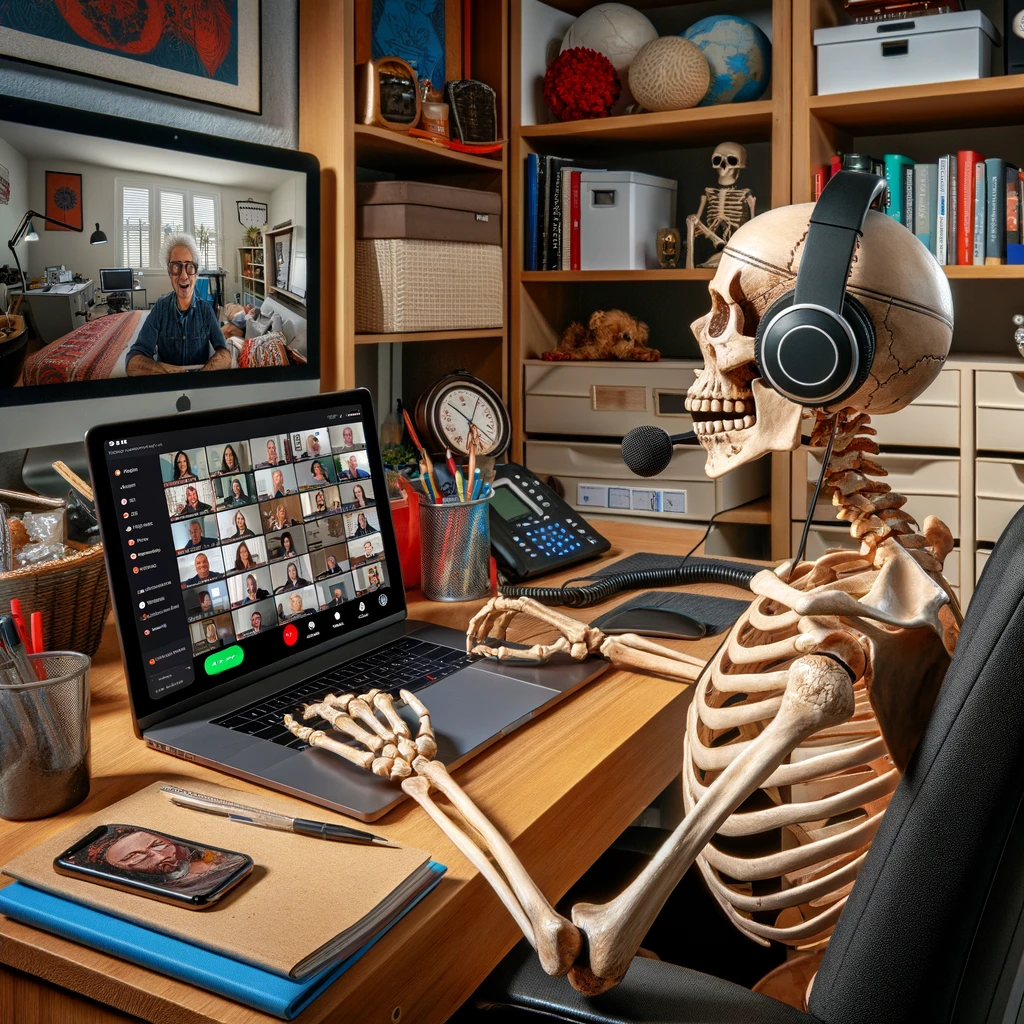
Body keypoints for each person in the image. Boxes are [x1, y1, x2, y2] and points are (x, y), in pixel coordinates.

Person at [126, 233, 229, 375]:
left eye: (189, 267)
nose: (183, 275)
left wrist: (201, 377)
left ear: (196, 273)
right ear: (169, 272)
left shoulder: (205, 310)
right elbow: (132, 362)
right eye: (176, 267)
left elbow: (225, 354)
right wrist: (163, 371)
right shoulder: (160, 308)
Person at [78, 825, 248, 897]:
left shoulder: (220, 856)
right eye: (135, 857)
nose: (161, 857)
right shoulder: (181, 889)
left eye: (158, 845)